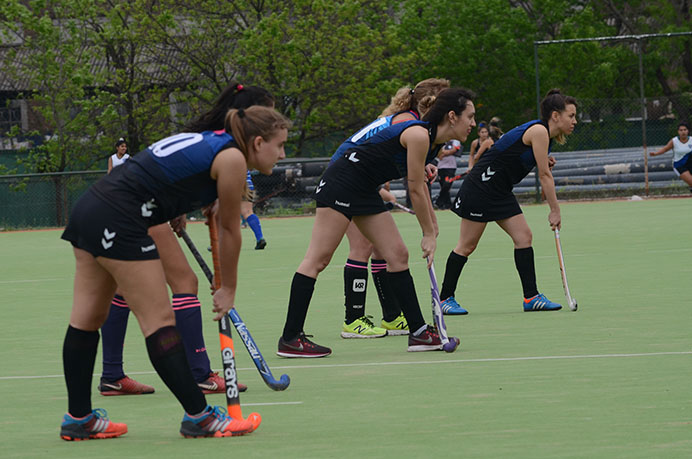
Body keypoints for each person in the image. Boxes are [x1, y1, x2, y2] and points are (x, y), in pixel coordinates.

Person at [59, 104, 290, 441]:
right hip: (122, 219)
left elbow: (172, 175)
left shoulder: (212, 142)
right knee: (159, 321)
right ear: (257, 142)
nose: (282, 154)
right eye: (280, 145)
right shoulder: (233, 159)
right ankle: (200, 417)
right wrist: (228, 288)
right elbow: (229, 230)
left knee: (87, 318)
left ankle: (79, 418)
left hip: (92, 208)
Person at [97, 83, 273, 397]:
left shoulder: (203, 136)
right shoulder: (226, 148)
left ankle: (112, 374)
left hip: (118, 203)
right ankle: (200, 373)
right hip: (135, 207)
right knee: (184, 282)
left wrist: (176, 208)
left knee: (122, 288)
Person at [277, 87, 476, 357]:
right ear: (452, 116)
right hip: (342, 182)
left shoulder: (433, 143)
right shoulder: (418, 134)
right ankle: (290, 338)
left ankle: (418, 333)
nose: (474, 124)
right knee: (318, 259)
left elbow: (417, 180)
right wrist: (427, 231)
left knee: (397, 254)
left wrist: (431, 224)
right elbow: (415, 188)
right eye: (470, 117)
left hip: (363, 188)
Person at [330, 78, 450, 340]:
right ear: (429, 104)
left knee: (383, 250)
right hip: (345, 178)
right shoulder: (408, 124)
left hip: (363, 180)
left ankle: (392, 317)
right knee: (361, 247)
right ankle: (353, 319)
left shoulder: (413, 124)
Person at [439, 89, 577, 315]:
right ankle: (444, 299)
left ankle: (531, 297)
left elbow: (521, 158)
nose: (574, 121)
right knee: (467, 245)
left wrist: (541, 159)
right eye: (570, 116)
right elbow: (544, 176)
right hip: (480, 188)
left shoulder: (545, 137)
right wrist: (555, 210)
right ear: (555, 115)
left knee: (524, 236)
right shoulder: (539, 132)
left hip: (500, 191)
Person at [650, 121, 692, 193]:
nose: (683, 132)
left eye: (685, 130)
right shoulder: (674, 141)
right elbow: (665, 149)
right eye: (681, 130)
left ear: (688, 131)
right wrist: (655, 154)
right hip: (679, 165)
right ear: (678, 132)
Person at [241, 171, 267, 249]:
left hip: (231, 182)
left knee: (222, 212)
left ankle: (218, 243)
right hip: (247, 183)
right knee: (248, 212)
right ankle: (260, 238)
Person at [435, 139, 461, 209]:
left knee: (447, 184)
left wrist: (443, 153)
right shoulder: (440, 140)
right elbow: (437, 153)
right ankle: (447, 204)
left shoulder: (455, 141)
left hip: (451, 167)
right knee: (443, 185)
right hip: (440, 167)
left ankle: (438, 202)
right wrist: (442, 153)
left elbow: (453, 150)